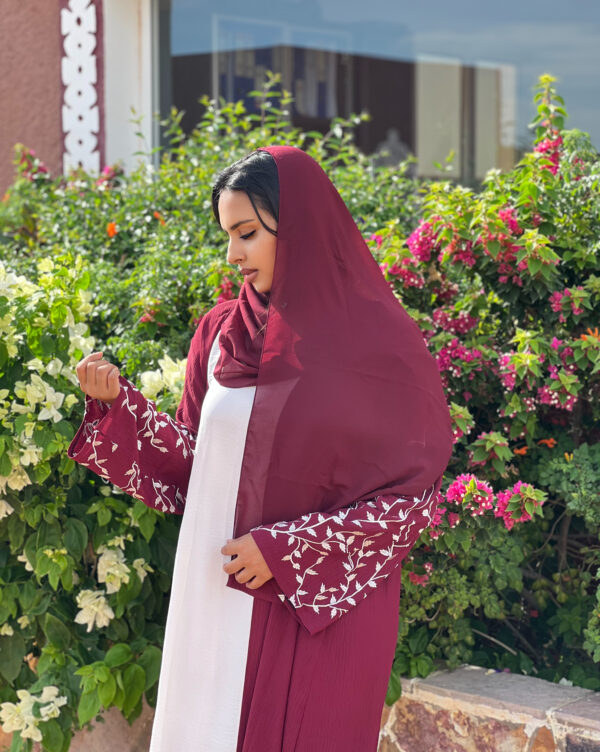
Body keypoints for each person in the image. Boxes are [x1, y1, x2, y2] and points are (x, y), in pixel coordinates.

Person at [68, 144, 453, 751]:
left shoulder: (380, 347)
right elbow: (195, 466)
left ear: (296, 223)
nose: (234, 255)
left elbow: (410, 501)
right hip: (216, 596)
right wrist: (120, 408)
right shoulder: (222, 333)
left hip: (314, 613)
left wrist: (286, 551)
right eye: (228, 235)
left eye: (247, 233)